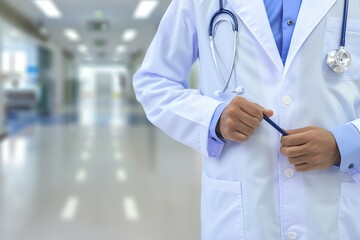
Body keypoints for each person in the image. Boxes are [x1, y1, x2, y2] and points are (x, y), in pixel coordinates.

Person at [133, 0, 360, 239]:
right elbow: (154, 81)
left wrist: (345, 144)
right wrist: (214, 118)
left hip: (332, 211)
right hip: (242, 211)